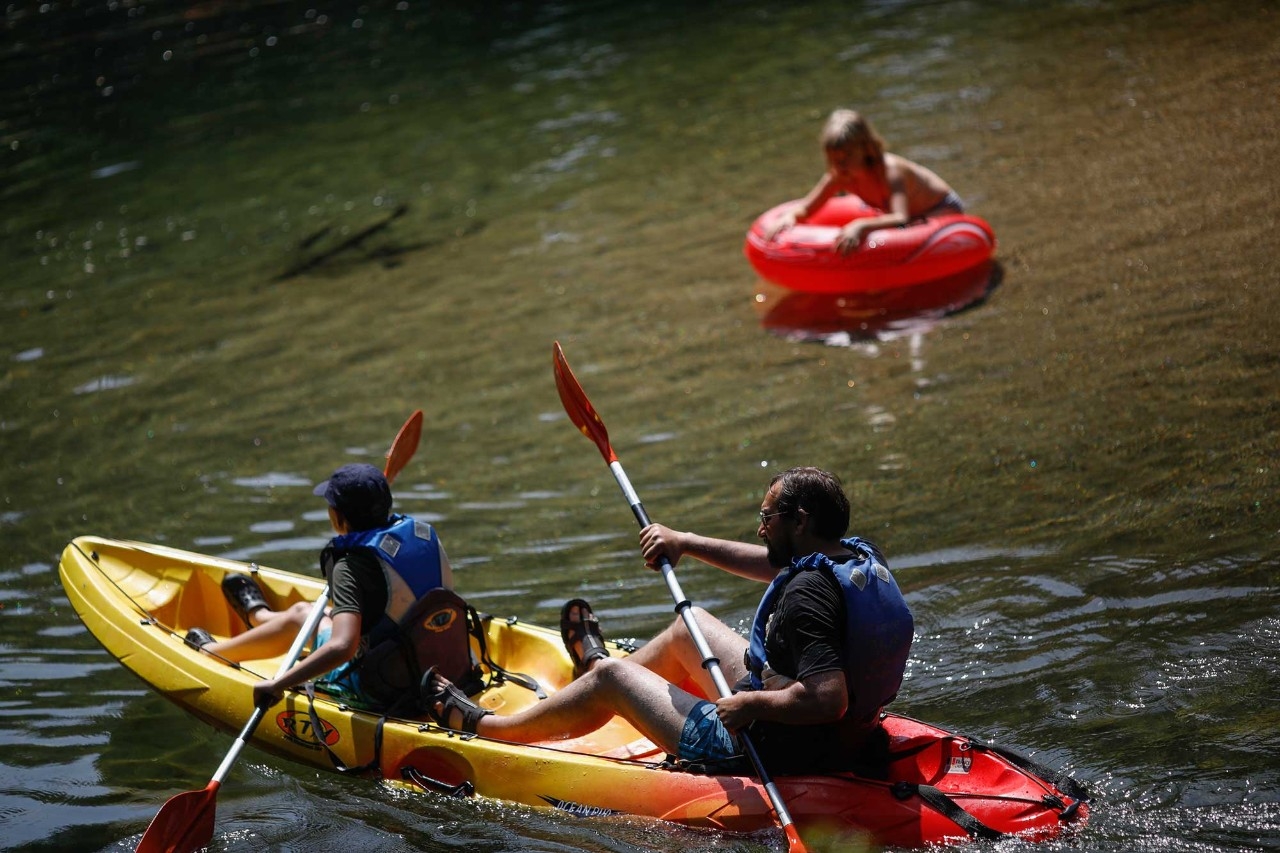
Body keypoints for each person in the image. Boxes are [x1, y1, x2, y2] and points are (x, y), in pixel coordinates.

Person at [425, 467, 913, 775]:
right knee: (690, 624)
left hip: (769, 748)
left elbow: (828, 699)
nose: (760, 528)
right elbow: (774, 565)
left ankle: (496, 727)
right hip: (845, 733)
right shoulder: (857, 559)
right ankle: (592, 682)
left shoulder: (807, 594)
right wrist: (684, 542)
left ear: (800, 522)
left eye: (767, 518)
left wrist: (749, 706)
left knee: (615, 676)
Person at [185, 462, 455, 711]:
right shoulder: (422, 536)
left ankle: (212, 652)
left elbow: (342, 647)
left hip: (381, 687)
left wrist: (278, 684)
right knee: (308, 611)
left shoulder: (350, 568)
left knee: (305, 616)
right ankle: (259, 617)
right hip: (441, 666)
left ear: (338, 517)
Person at [764, 109, 964, 254]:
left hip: (941, 209)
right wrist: (790, 217)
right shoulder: (839, 176)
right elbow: (808, 208)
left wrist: (859, 225)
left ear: (866, 149)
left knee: (898, 239)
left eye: (846, 158)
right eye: (834, 159)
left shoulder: (890, 171)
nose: (839, 165)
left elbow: (900, 217)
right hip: (910, 217)